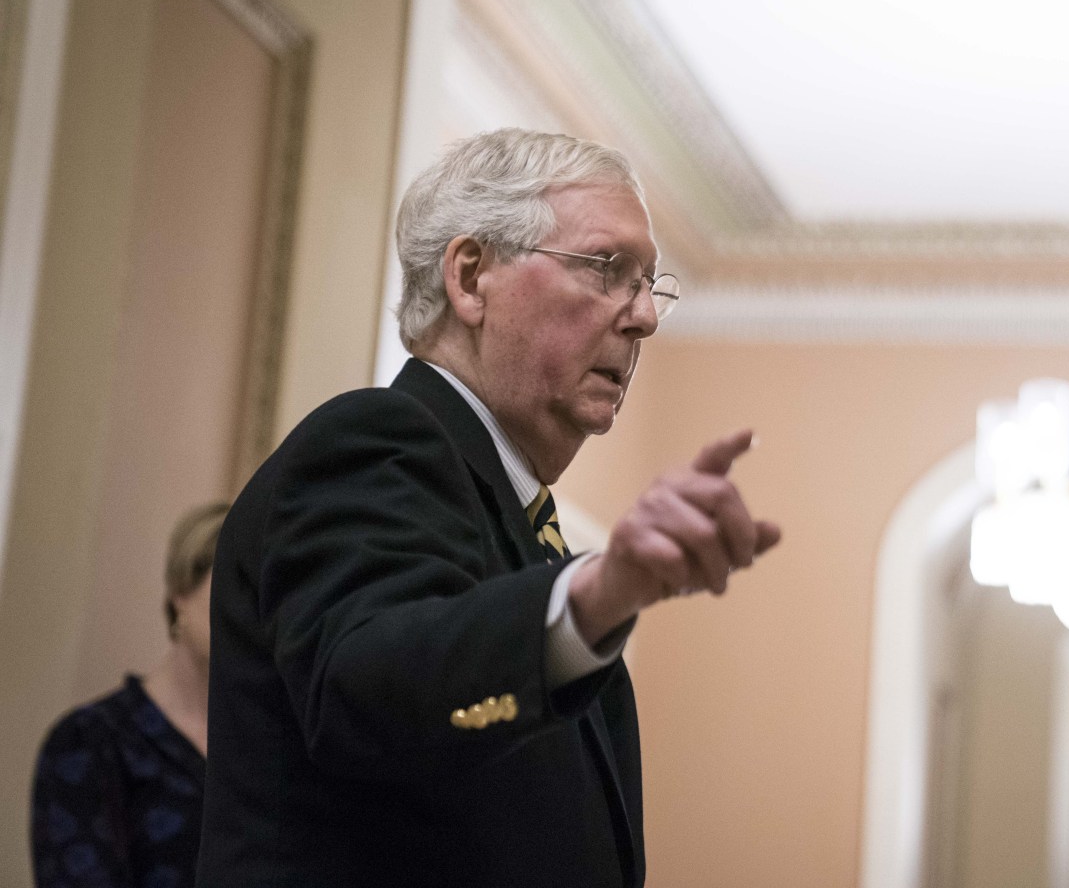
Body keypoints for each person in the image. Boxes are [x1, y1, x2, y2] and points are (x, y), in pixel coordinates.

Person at [196, 128, 781, 888]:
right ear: (471, 278)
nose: (645, 317)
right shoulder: (376, 439)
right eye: (609, 269)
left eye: (650, 285)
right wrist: (600, 593)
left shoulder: (527, 531)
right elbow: (367, 689)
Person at [31, 501, 229, 888]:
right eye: (230, 586)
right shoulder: (91, 741)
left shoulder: (270, 745)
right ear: (180, 593)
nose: (247, 612)